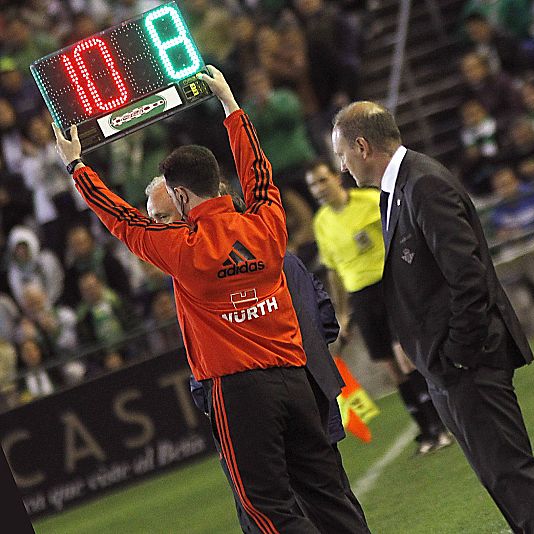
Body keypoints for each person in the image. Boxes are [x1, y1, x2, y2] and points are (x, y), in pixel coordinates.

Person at [53, 65, 369, 534]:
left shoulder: (183, 249)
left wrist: (77, 166)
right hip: (295, 378)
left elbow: (122, 219)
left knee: (266, 510)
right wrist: (230, 105)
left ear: (181, 196)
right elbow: (259, 173)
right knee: (328, 497)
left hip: (239, 391)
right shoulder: (266, 224)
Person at [331, 101, 534, 534]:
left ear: (363, 147)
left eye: (342, 154)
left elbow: (468, 276)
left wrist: (458, 354)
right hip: (448, 366)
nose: (341, 166)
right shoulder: (400, 187)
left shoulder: (423, 183)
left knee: (513, 471)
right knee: (499, 476)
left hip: (468, 361)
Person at [145, 176, 368, 532]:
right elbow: (325, 320)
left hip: (251, 402)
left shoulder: (199, 268)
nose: (157, 228)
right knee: (332, 502)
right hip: (307, 392)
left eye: (162, 217)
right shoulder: (275, 247)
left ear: (189, 207)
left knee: (266, 513)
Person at [305, 159, 452, 455]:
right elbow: (333, 272)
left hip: (390, 286)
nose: (319, 188)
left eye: (322, 180)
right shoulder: (321, 223)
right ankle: (425, 429)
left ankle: (440, 424)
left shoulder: (369, 200)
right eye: (312, 185)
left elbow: (399, 234)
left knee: (405, 357)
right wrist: (342, 313)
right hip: (361, 297)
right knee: (391, 366)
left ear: (336, 178)